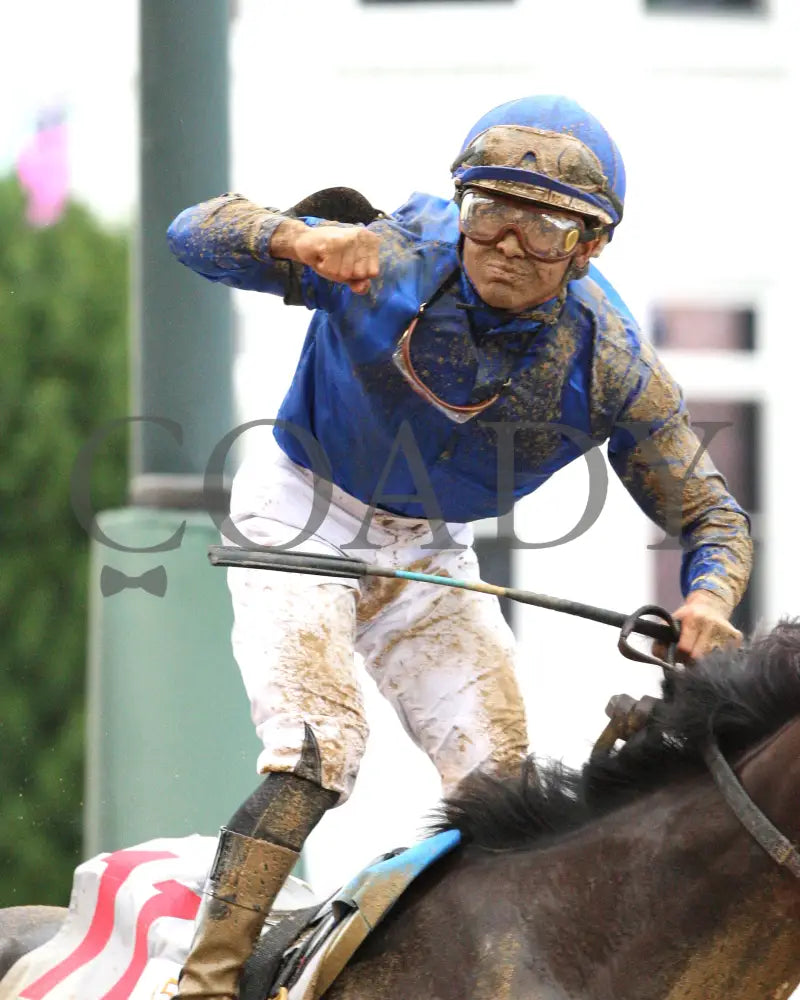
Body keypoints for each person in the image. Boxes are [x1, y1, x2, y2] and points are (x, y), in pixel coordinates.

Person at [166, 95, 752, 998]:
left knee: (503, 790)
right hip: (298, 505)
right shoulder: (391, 254)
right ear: (462, 206)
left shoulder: (615, 366)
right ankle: (201, 987)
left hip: (427, 549)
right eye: (489, 212)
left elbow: (713, 517)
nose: (507, 244)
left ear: (592, 246)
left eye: (545, 226)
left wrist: (708, 599)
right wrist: (294, 238)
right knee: (322, 752)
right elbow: (191, 231)